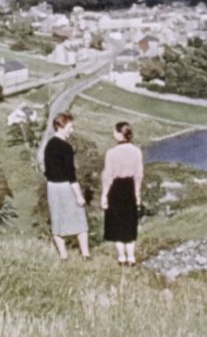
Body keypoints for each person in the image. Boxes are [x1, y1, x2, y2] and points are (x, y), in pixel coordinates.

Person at [43, 112, 90, 260]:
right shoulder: (66, 147)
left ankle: (63, 256)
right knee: (80, 221)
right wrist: (79, 196)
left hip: (52, 187)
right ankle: (86, 255)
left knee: (57, 221)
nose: (72, 130)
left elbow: (47, 170)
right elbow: (71, 175)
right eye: (70, 127)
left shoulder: (49, 145)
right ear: (60, 126)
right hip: (65, 187)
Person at [101, 121, 144, 266]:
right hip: (130, 188)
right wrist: (137, 194)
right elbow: (139, 175)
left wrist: (104, 195)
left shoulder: (111, 153)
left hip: (116, 188)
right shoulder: (137, 152)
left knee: (117, 224)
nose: (113, 134)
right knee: (129, 224)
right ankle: (131, 258)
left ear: (120, 134)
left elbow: (108, 177)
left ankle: (121, 258)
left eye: (115, 131)